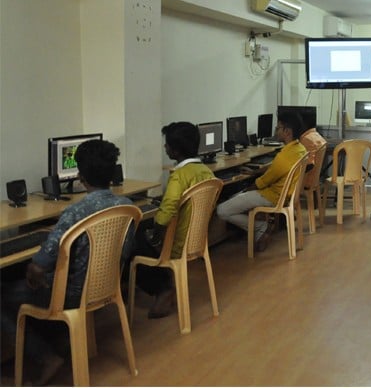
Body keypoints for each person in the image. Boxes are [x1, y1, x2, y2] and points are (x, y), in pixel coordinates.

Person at [1, 139, 132, 386]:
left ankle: (45, 356)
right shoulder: (125, 206)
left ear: (81, 177)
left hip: (72, 294)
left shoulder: (75, 213)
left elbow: (38, 266)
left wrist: (33, 269)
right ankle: (55, 339)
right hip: (103, 287)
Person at [131, 121, 215, 319]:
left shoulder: (178, 176)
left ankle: (162, 289)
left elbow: (167, 211)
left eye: (167, 144)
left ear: (175, 150)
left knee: (133, 239)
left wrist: (156, 232)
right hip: (196, 241)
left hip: (177, 245)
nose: (164, 147)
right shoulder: (206, 172)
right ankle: (165, 283)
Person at [216, 111, 306, 248]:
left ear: (287, 131)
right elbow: (274, 170)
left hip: (272, 196)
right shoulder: (300, 149)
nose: (276, 130)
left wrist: (244, 190)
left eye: (278, 128)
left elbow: (262, 183)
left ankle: (260, 227)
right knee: (238, 195)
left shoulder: (284, 157)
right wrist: (255, 171)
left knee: (222, 209)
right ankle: (258, 231)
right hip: (285, 194)